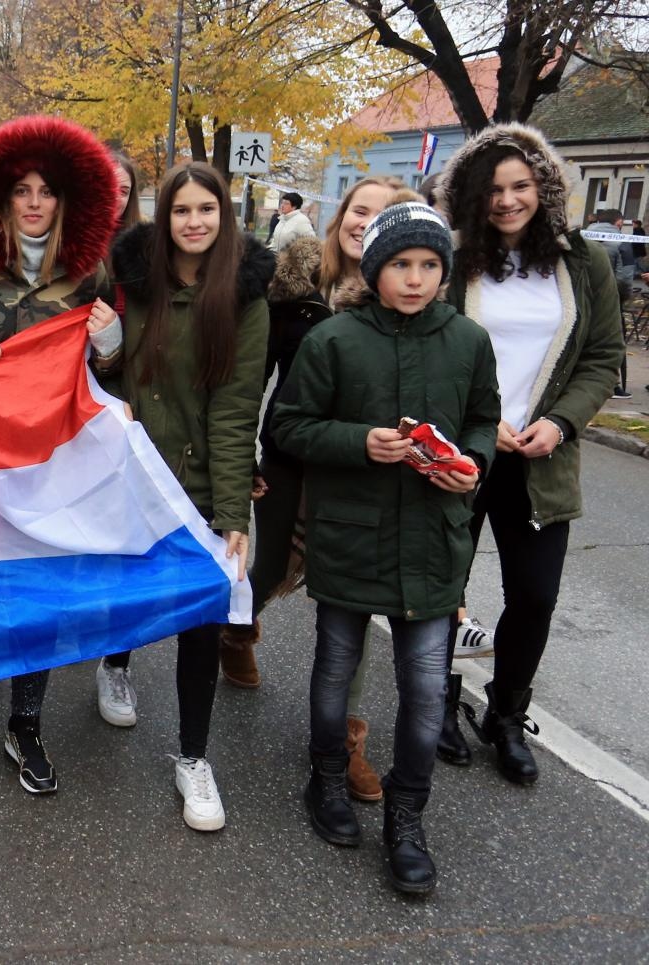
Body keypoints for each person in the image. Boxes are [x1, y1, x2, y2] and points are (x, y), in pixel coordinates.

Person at [273, 201, 500, 894]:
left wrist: (474, 463)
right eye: (400, 264)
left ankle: (408, 813)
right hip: (353, 538)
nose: (415, 278)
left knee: (428, 690)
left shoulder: (467, 341)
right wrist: (359, 441)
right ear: (374, 269)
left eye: (429, 265)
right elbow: (289, 425)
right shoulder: (335, 339)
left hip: (433, 541)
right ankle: (329, 779)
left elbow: (483, 418)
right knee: (336, 668)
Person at [434, 123, 624, 786]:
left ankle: (507, 715)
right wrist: (475, 423)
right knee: (443, 588)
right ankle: (439, 701)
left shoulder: (580, 261)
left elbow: (603, 358)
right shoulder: (453, 259)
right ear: (470, 196)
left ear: (542, 187)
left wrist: (563, 422)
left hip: (542, 459)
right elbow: (428, 353)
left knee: (535, 596)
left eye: (520, 186)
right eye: (493, 190)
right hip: (464, 452)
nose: (508, 200)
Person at [0, 115, 120, 794]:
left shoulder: (87, 268)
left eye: (47, 190)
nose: (36, 200)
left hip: (52, 459)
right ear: (5, 198)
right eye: (23, 189)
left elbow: (110, 362)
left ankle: (25, 720)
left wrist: (109, 340)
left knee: (40, 586)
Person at [97, 162, 273, 831]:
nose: (194, 221)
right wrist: (109, 358)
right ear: (162, 217)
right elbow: (104, 375)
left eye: (207, 209)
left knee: (202, 620)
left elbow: (235, 409)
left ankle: (193, 757)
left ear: (223, 216)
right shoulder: (134, 281)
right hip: (132, 473)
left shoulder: (245, 295)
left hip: (199, 480)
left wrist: (233, 513)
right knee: (127, 594)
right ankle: (115, 664)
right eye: (181, 211)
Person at [224, 176, 406, 802]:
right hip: (290, 453)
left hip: (363, 468)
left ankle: (344, 740)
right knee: (267, 565)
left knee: (349, 603)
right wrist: (243, 456)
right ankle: (237, 633)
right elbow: (252, 378)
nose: (367, 222)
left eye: (384, 213)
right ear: (339, 218)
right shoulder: (291, 285)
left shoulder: (405, 293)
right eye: (359, 210)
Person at [583, 207, 636, 400]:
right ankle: (612, 385)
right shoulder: (623, 241)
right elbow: (625, 277)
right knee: (608, 341)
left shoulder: (583, 236)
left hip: (577, 296)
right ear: (619, 222)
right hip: (607, 298)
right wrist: (621, 299)